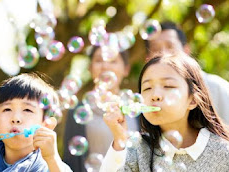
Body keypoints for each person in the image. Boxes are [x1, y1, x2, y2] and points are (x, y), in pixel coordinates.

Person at [100, 52, 229, 172]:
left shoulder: (223, 153)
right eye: (147, 88)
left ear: (192, 100)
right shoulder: (138, 150)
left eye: (168, 86)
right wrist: (119, 139)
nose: (155, 95)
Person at [0, 73, 72, 172]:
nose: (16, 118)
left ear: (46, 125)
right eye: (7, 109)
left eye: (27, 110)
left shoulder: (55, 167)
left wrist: (52, 158)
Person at [63, 46, 140, 172]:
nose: (105, 66)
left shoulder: (136, 110)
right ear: (90, 68)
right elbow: (70, 160)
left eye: (113, 61)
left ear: (126, 69)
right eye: (99, 60)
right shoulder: (78, 111)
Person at [145, 21, 229, 124]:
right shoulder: (147, 98)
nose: (164, 54)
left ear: (186, 51)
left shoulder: (217, 88)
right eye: (155, 49)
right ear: (148, 59)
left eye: (170, 46)